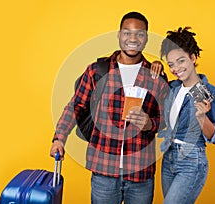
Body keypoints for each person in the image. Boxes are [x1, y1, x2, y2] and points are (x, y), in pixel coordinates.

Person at [50, 11, 169, 204]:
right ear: (119, 35)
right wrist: (59, 138)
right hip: (104, 170)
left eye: (139, 34)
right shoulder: (97, 71)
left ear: (146, 38)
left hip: (140, 173)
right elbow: (76, 106)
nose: (133, 38)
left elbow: (166, 119)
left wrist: (150, 124)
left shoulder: (155, 76)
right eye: (127, 32)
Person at [156, 27, 215, 204]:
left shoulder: (207, 92)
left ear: (193, 58)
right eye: (171, 64)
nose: (176, 68)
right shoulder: (173, 88)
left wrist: (202, 118)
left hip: (191, 160)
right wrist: (154, 66)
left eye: (181, 61)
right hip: (169, 156)